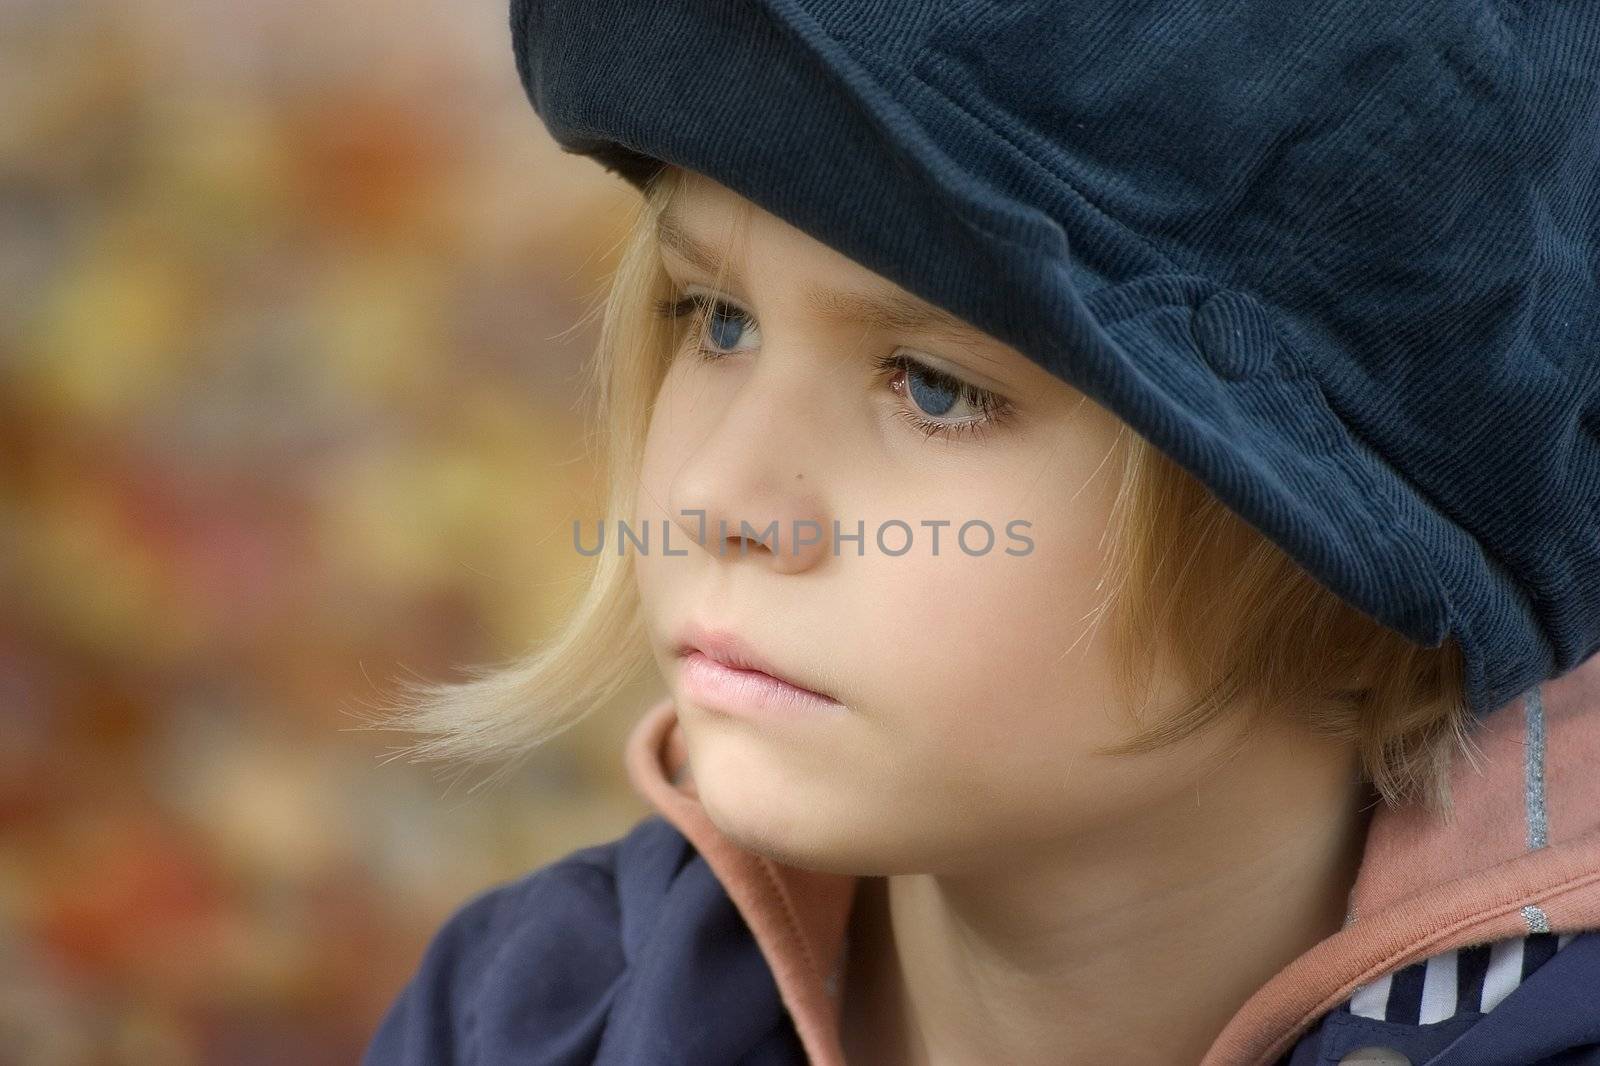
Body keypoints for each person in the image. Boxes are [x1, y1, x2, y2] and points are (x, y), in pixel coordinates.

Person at [361, 2, 1600, 1063]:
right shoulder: (528, 1016)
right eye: (716, 318)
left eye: (934, 386)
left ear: (1345, 574)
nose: (721, 499)